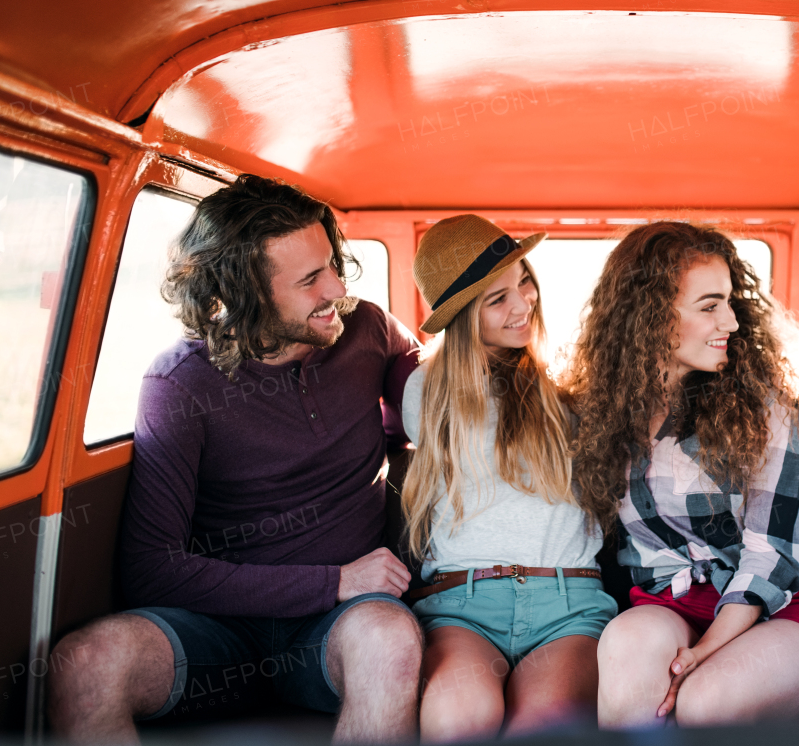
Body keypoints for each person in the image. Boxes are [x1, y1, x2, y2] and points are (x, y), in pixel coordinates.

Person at [47, 175, 423, 744]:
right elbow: (150, 568)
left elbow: (422, 392)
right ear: (246, 295)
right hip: (215, 632)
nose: (336, 288)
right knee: (85, 666)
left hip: (337, 629)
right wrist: (333, 581)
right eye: (310, 280)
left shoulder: (365, 327)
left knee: (390, 642)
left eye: (333, 264)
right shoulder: (181, 383)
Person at [562, 221, 799, 729]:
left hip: (779, 606)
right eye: (709, 306)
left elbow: (770, 556)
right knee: (626, 650)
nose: (732, 323)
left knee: (705, 703)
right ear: (647, 317)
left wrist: (704, 652)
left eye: (731, 303)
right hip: (670, 600)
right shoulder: (599, 410)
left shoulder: (775, 412)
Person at [400, 215, 616, 742]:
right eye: (497, 299)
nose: (523, 304)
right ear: (463, 316)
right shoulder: (428, 390)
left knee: (537, 732)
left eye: (524, 281)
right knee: (458, 720)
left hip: (567, 604)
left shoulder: (565, 386)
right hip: (463, 605)